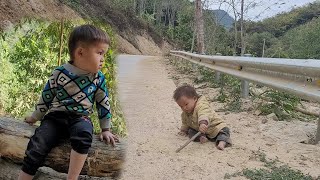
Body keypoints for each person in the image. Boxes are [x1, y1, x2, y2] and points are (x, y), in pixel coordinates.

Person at [18, 24, 118, 180]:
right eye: (100, 53)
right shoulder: (59, 73)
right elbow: (47, 96)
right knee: (37, 143)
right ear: (80, 52)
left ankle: (72, 178)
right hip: (55, 117)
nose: (103, 59)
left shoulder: (98, 78)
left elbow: (103, 103)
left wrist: (106, 129)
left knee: (84, 134)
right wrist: (35, 117)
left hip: (81, 118)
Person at [173, 84, 231, 150]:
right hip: (200, 131)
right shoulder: (185, 113)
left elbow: (204, 114)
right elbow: (185, 122)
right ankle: (201, 137)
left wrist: (203, 123)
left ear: (195, 99)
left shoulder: (201, 106)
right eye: (181, 106)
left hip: (214, 127)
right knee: (191, 132)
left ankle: (222, 142)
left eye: (186, 104)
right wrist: (184, 130)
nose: (184, 108)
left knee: (224, 131)